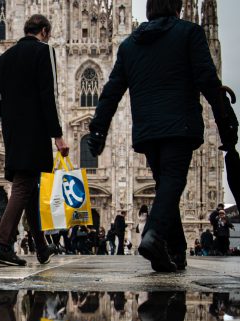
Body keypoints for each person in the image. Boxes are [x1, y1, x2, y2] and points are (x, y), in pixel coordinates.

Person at [88, 0, 238, 272]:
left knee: (165, 185)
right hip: (179, 126)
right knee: (172, 181)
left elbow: (111, 91)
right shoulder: (188, 33)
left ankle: (177, 252)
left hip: (147, 132)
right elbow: (207, 79)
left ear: (149, 10)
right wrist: (225, 121)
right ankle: (153, 235)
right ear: (177, 8)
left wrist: (98, 128)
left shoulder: (129, 45)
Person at [0, 14, 69, 267]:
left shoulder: (3, 59)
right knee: (23, 185)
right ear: (44, 31)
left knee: (30, 188)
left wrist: (10, 112)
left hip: (13, 131)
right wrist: (57, 135)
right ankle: (4, 245)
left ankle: (41, 248)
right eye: (47, 34)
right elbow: (47, 96)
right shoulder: (44, 52)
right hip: (35, 131)